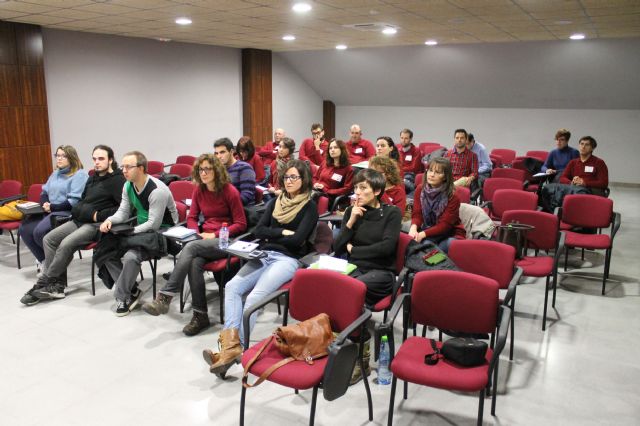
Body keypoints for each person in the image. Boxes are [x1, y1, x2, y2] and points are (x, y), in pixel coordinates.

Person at [202, 159, 318, 376]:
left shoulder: (309, 207)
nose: (289, 181)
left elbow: (298, 241)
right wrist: (282, 233)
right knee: (232, 286)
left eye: (294, 177)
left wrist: (276, 235)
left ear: (304, 180)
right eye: (286, 177)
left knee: (254, 298)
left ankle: (234, 348)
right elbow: (259, 230)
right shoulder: (276, 202)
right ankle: (231, 349)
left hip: (288, 260)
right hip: (264, 253)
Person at [142, 154, 247, 335]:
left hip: (224, 239)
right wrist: (195, 232)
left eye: (208, 169)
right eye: (201, 169)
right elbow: (191, 217)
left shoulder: (230, 191)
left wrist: (213, 234)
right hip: (202, 239)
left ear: (217, 170)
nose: (204, 173)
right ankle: (200, 316)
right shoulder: (199, 190)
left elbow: (241, 224)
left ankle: (166, 296)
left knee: (190, 248)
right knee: (194, 262)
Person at [20, 145, 125, 305]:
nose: (97, 162)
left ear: (110, 160)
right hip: (80, 219)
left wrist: (97, 214)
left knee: (65, 244)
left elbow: (122, 208)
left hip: (97, 225)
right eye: (94, 159)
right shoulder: (92, 178)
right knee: (49, 239)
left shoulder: (117, 180)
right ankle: (57, 286)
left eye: (101, 159)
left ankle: (45, 283)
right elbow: (81, 201)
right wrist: (80, 210)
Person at [98, 151, 178, 316]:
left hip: (163, 233)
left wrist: (130, 232)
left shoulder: (157, 191)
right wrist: (110, 221)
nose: (124, 170)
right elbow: (123, 212)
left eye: (128, 167)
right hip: (141, 230)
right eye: (123, 167)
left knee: (131, 257)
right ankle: (132, 290)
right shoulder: (128, 185)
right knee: (105, 248)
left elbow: (153, 224)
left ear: (141, 168)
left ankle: (123, 296)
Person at [334, 168, 401, 307]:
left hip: (381, 272)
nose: (357, 192)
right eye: (356, 187)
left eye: (363, 187)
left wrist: (354, 251)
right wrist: (351, 221)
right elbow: (338, 248)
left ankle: (353, 322)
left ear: (377, 191)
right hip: (354, 268)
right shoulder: (351, 212)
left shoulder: (392, 212)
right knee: (331, 286)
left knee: (350, 289)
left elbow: (386, 248)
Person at [18, 145, 88, 267]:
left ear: (72, 157)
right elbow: (44, 192)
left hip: (66, 212)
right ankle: (45, 261)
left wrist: (52, 207)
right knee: (25, 229)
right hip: (51, 210)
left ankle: (56, 261)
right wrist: (45, 203)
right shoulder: (55, 174)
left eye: (63, 156)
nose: (59, 159)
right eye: (57, 155)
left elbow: (74, 201)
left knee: (40, 231)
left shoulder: (79, 175)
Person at [409, 157, 465, 253]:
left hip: (450, 233)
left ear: (445, 177)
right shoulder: (420, 189)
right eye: (430, 170)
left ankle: (441, 266)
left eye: (438, 172)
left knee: (431, 249)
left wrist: (422, 234)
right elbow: (417, 214)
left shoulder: (452, 196)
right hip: (428, 230)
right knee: (420, 246)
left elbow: (445, 225)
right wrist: (413, 228)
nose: (432, 175)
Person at [214, 137, 256, 205]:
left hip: (240, 209)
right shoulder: (219, 169)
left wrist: (223, 205)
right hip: (221, 208)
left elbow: (247, 196)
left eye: (222, 152)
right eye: (216, 153)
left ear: (231, 151)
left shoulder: (244, 168)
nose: (219, 156)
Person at [312, 139, 354, 206]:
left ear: (342, 149)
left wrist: (326, 190)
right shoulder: (325, 163)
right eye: (330, 148)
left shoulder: (348, 169)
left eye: (335, 147)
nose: (332, 150)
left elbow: (347, 189)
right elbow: (315, 177)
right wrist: (315, 184)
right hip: (317, 190)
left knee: (313, 197)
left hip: (331, 197)